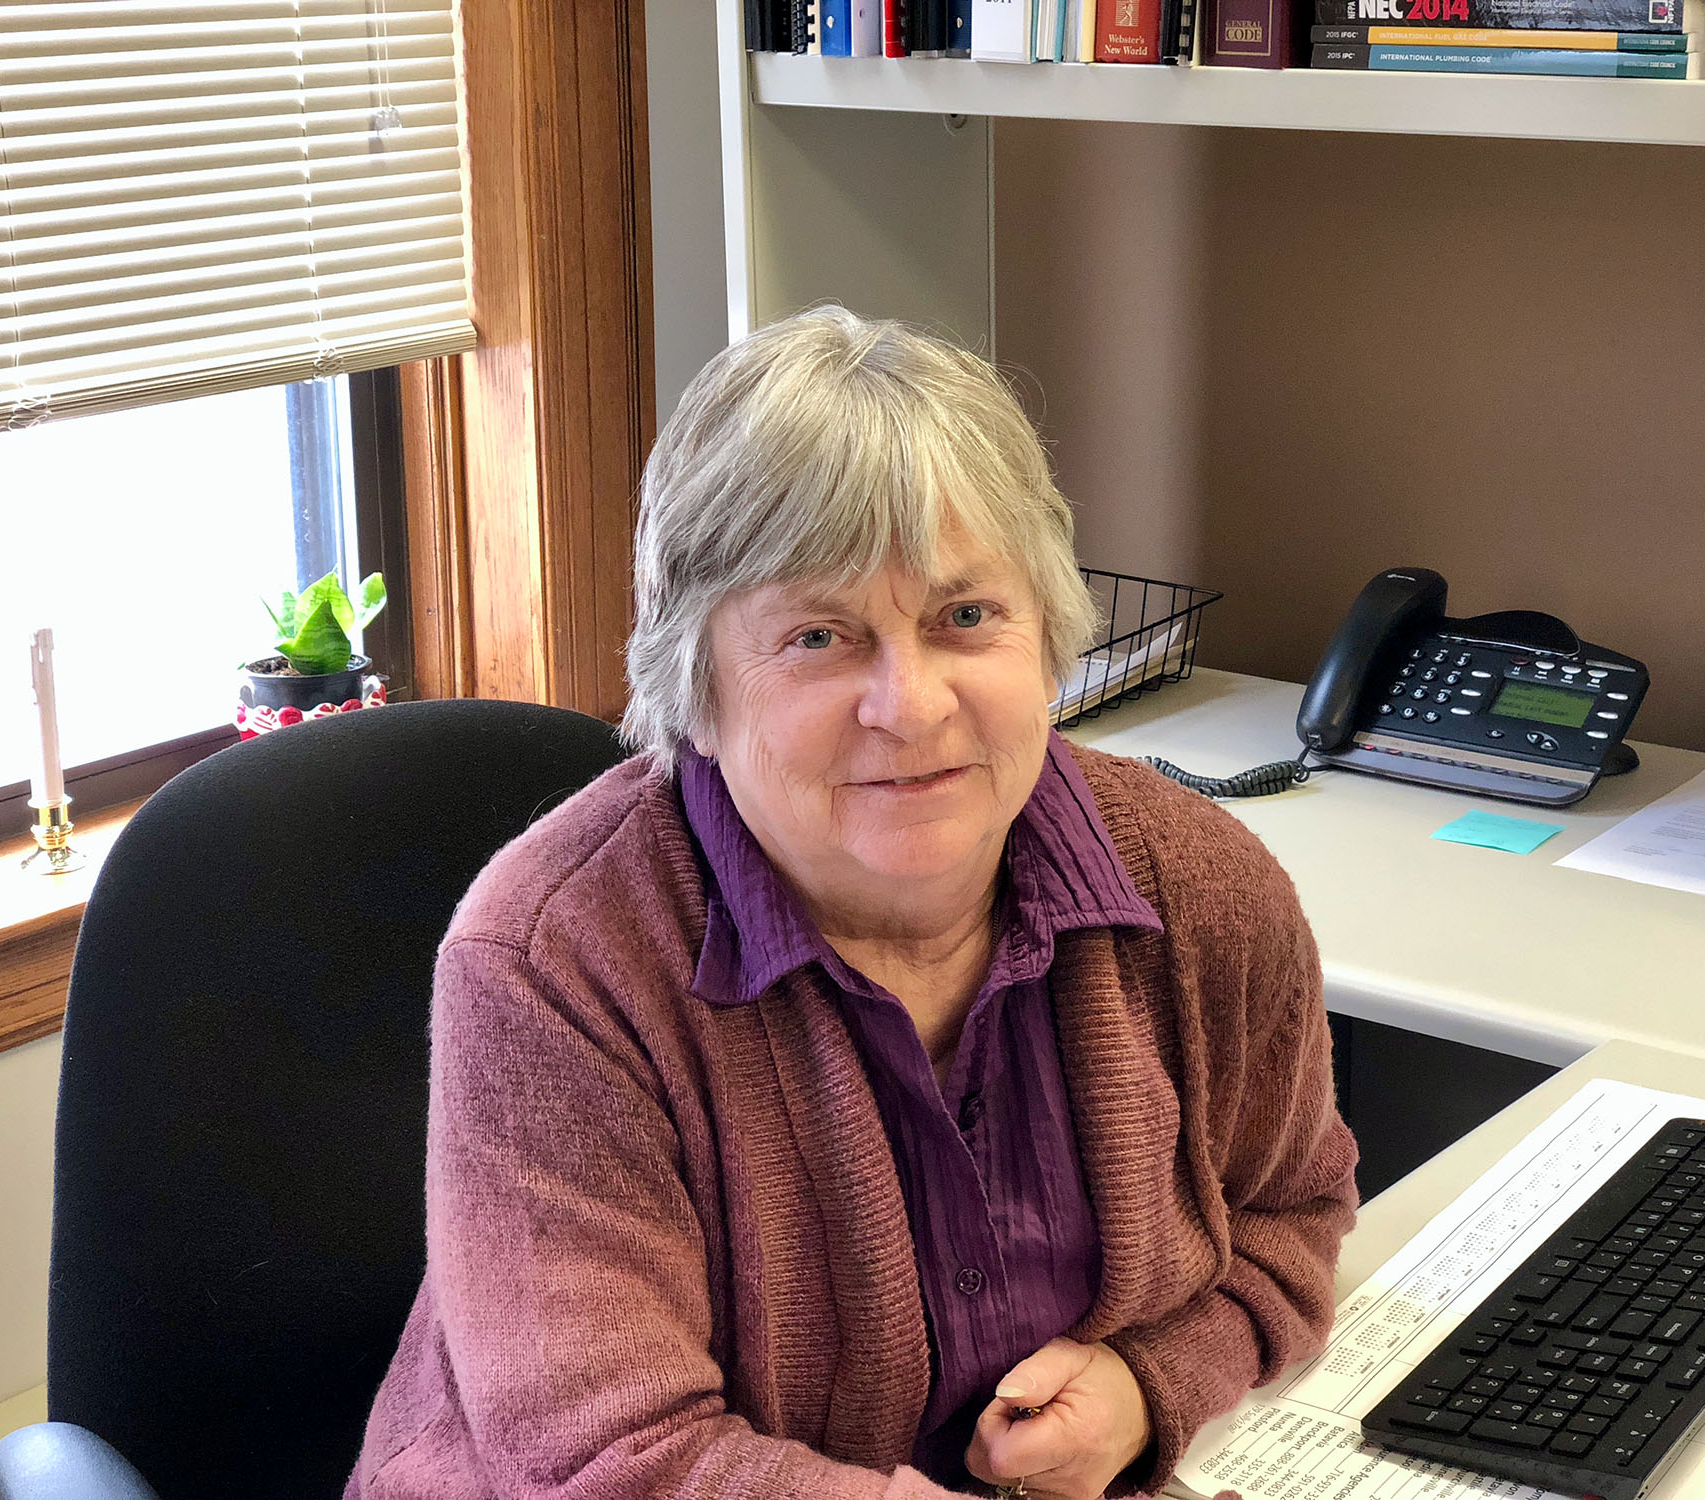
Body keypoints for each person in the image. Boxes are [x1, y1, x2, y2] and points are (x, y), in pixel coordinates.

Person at [347, 307, 1359, 1500]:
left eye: (964, 617)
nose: (911, 702)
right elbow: (611, 1461)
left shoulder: (1201, 889)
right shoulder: (552, 962)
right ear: (698, 692)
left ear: (1048, 640)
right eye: (819, 637)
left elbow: (1290, 1213)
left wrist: (1147, 1387)